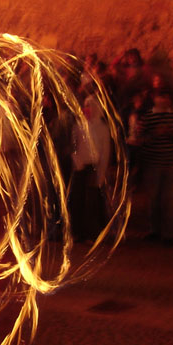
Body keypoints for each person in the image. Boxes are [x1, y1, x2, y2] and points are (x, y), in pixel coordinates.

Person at [140, 86, 173, 245]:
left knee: (171, 199)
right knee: (154, 198)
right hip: (154, 162)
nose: (163, 100)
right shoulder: (148, 117)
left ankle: (170, 233)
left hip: (172, 162)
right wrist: (154, 135)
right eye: (160, 96)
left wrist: (172, 134)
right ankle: (155, 230)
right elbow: (141, 137)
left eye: (166, 97)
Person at [68, 92, 111, 242]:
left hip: (93, 168)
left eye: (90, 106)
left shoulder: (102, 128)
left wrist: (101, 173)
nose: (87, 109)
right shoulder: (79, 126)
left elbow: (105, 152)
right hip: (81, 168)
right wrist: (77, 161)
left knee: (92, 203)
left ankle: (93, 232)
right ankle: (78, 232)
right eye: (85, 106)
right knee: (77, 201)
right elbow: (73, 146)